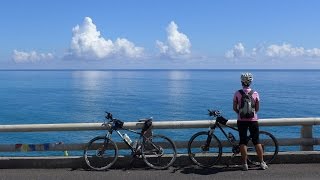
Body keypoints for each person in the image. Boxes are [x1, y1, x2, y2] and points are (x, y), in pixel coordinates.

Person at [233, 72, 268, 171]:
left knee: (243, 142)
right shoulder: (255, 93)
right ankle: (262, 163)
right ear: (251, 82)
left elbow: (234, 108)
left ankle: (244, 164)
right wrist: (252, 114)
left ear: (241, 82)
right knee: (256, 141)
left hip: (241, 120)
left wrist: (240, 113)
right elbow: (257, 109)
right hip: (253, 120)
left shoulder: (237, 93)